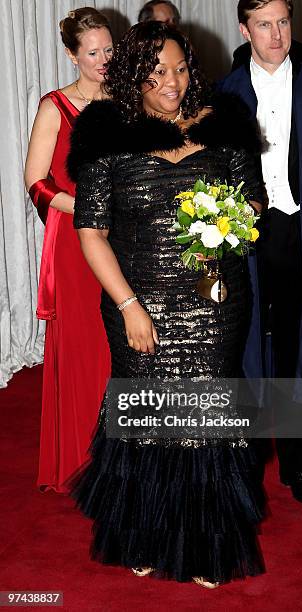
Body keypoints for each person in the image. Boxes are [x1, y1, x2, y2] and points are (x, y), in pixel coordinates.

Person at [67, 21, 266, 588]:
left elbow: (253, 200)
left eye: (179, 69)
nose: (172, 83)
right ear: (134, 74)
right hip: (139, 305)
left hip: (213, 303)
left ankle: (206, 545)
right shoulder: (106, 132)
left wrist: (229, 220)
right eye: (157, 73)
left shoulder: (223, 123)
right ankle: (142, 533)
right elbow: (92, 233)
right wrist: (130, 305)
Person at [220, 0, 302, 504]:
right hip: (248, 238)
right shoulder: (224, 95)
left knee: (299, 347)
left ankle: (295, 466)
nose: (275, 35)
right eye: (263, 25)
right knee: (248, 346)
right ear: (244, 29)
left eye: (282, 22)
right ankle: (248, 463)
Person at [24, 8, 112, 493]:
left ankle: (120, 455)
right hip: (75, 240)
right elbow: (34, 181)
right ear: (72, 55)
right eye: (92, 51)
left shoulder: (127, 102)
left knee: (119, 345)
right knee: (83, 348)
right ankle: (82, 462)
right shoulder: (55, 106)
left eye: (108, 49)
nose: (103, 58)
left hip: (119, 238)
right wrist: (87, 207)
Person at [231, 38, 302, 72]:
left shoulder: (300, 51)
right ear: (245, 31)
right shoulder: (241, 54)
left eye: (282, 22)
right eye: (264, 25)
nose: (277, 35)